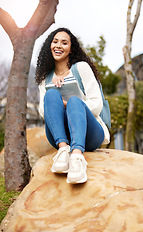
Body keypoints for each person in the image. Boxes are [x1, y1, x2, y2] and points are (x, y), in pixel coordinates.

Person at [35, 27, 110, 184]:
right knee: (50, 95)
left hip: (89, 133)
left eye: (64, 43)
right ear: (49, 45)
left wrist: (68, 104)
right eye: (55, 42)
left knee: (75, 102)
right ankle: (63, 150)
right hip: (61, 136)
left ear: (71, 49)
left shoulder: (81, 68)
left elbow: (96, 104)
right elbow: (43, 111)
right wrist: (55, 93)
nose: (58, 46)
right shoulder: (45, 78)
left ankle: (77, 157)